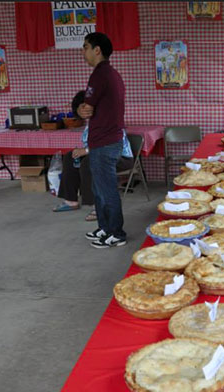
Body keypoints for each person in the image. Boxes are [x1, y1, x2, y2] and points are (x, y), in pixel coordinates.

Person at [78, 32, 128, 249]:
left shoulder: (99, 75)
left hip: (104, 141)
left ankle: (117, 233)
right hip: (108, 139)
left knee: (106, 190)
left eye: (85, 47)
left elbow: (86, 109)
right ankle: (105, 227)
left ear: (97, 50)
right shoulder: (113, 74)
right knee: (99, 189)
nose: (83, 51)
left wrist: (81, 109)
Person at [53, 90, 133, 222]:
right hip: (99, 155)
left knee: (90, 162)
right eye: (81, 107)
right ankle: (70, 201)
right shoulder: (90, 123)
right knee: (70, 157)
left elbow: (112, 143)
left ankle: (98, 206)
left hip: (121, 158)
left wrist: (87, 151)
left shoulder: (109, 120)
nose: (84, 110)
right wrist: (82, 151)